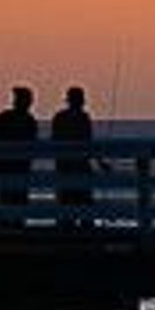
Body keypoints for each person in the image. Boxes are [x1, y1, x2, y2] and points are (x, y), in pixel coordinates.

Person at [0, 84, 39, 225]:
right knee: (12, 197)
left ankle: (9, 224)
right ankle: (12, 224)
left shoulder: (13, 118)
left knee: (11, 197)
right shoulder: (27, 120)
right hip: (12, 166)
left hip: (11, 166)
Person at [50, 84, 96, 228]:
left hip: (67, 167)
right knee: (82, 206)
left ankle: (66, 233)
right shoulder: (83, 118)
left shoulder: (60, 117)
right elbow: (89, 144)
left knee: (67, 206)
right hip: (77, 168)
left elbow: (54, 140)